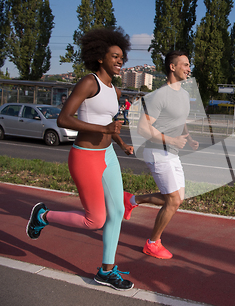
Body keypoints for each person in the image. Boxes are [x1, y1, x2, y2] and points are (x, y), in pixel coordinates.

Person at [26, 27, 135, 291]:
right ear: (100, 57)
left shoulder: (115, 90)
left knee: (117, 212)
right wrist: (104, 131)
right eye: (115, 56)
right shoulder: (89, 82)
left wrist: (120, 142)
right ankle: (43, 215)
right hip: (85, 157)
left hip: (107, 155)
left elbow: (110, 124)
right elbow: (63, 119)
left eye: (122, 57)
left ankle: (106, 271)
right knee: (94, 220)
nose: (120, 61)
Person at [123, 51, 199, 259]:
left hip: (172, 152)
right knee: (173, 200)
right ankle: (152, 243)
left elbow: (179, 120)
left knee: (176, 198)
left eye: (189, 65)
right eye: (184, 64)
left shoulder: (183, 95)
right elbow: (142, 129)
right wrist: (172, 140)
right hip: (156, 151)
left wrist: (187, 137)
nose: (189, 68)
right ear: (172, 67)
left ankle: (131, 200)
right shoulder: (158, 95)